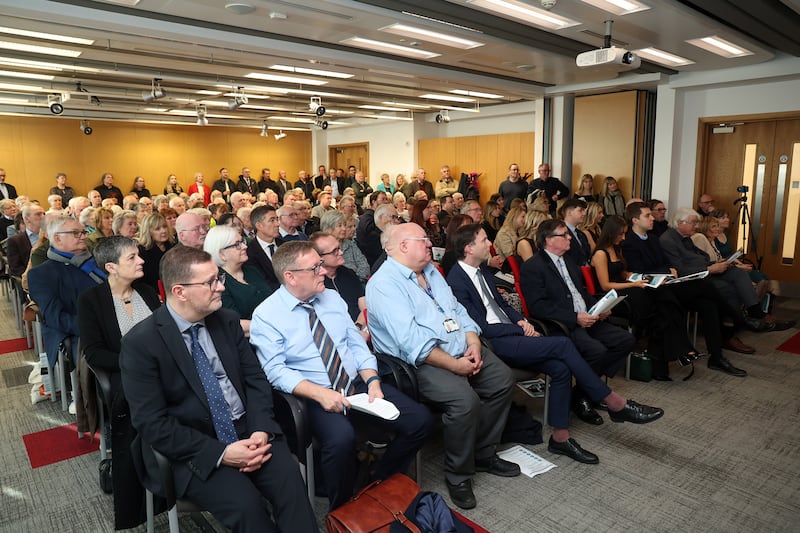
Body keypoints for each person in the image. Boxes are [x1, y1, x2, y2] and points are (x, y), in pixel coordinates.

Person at [119, 246, 317, 532]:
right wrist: (222, 454)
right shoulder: (141, 344)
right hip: (194, 448)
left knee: (292, 487)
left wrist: (261, 429)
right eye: (211, 282)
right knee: (247, 507)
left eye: (219, 278)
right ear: (180, 291)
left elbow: (256, 381)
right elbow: (152, 424)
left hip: (250, 431)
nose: (221, 286)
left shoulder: (225, 320)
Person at [448, 224, 663, 462]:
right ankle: (614, 402)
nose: (489, 244)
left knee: (561, 369)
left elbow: (504, 306)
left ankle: (560, 438)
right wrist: (518, 328)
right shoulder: (456, 281)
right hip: (493, 342)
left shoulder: (483, 272)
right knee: (562, 344)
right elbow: (479, 326)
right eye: (483, 240)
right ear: (469, 248)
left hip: (511, 333)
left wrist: (522, 321)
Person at [251, 241, 434, 510]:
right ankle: (344, 508)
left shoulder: (331, 298)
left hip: (357, 385)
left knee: (421, 421)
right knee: (341, 439)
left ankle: (378, 481)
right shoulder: (266, 315)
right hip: (313, 395)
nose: (323, 271)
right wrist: (321, 394)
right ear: (290, 276)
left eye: (320, 265)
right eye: (315, 268)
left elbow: (356, 344)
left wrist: (372, 380)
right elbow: (275, 371)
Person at [367, 223, 519, 510]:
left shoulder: (432, 272)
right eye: (423, 240)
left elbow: (457, 310)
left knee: (501, 379)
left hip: (460, 348)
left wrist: (473, 341)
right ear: (402, 246)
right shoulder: (384, 284)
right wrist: (455, 365)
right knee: (464, 401)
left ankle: (483, 452)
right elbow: (412, 342)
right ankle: (459, 475)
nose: (429, 244)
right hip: (418, 365)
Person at [78, 236, 161, 529]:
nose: (141, 261)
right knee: (142, 404)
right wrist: (136, 364)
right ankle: (141, 488)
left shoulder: (148, 292)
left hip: (161, 370)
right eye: (132, 258)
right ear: (111, 267)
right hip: (124, 374)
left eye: (139, 255)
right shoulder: (92, 301)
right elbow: (95, 353)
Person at [520, 219, 636, 423]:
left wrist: (600, 307)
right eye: (563, 235)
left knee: (624, 340)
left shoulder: (569, 261)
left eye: (568, 234)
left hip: (587, 316)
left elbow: (580, 294)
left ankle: (581, 393)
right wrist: (575, 318)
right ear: (548, 240)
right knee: (596, 351)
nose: (569, 238)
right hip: (563, 324)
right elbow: (539, 307)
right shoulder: (534, 267)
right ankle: (586, 396)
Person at [622, 202, 752, 376]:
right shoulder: (630, 242)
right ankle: (737, 317)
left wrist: (669, 270)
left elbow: (666, 262)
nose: (652, 217)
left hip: (670, 284)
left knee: (709, 305)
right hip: (653, 289)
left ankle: (716, 357)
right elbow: (640, 270)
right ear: (635, 220)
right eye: (648, 215)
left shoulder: (653, 238)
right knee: (705, 285)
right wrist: (668, 271)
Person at [591, 215, 701, 379]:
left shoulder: (617, 249)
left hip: (628, 288)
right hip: (614, 295)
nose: (623, 238)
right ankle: (680, 352)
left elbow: (622, 273)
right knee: (662, 310)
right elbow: (605, 285)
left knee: (665, 305)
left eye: (624, 234)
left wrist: (636, 277)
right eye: (620, 234)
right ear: (611, 233)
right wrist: (633, 284)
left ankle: (668, 362)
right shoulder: (600, 254)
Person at [660, 208, 775, 332]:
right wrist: (710, 268)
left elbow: (700, 259)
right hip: (691, 279)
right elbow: (680, 269)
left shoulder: (686, 237)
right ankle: (730, 328)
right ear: (680, 222)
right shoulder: (668, 240)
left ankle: (753, 310)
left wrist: (716, 264)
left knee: (738, 273)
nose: (697, 225)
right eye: (694, 222)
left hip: (704, 270)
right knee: (728, 287)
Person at [29, 216, 107, 369]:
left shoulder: (97, 262)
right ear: (57, 238)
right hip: (79, 331)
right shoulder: (42, 273)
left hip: (112, 319)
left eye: (83, 232)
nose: (84, 236)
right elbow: (56, 317)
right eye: (76, 233)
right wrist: (94, 327)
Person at [204, 225, 273, 337]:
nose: (245, 246)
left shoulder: (251, 270)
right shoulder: (218, 283)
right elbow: (233, 323)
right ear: (222, 254)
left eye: (242, 241)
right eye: (237, 245)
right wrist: (271, 327)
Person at [321, 210, 369, 283]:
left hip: (357, 282)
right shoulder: (322, 247)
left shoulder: (350, 245)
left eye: (344, 225)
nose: (344, 229)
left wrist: (354, 280)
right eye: (340, 225)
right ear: (328, 229)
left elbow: (364, 266)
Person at [245, 205, 282, 290]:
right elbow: (260, 284)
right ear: (259, 225)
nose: (277, 224)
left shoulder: (285, 245)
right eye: (272, 220)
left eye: (277, 219)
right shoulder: (249, 253)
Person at [137, 213, 174, 292]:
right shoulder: (141, 252)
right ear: (148, 232)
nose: (163, 231)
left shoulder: (173, 247)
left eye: (164, 227)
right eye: (157, 229)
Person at [7, 204, 43, 276]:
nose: (43, 217)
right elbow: (15, 268)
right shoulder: (15, 241)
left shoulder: (52, 235)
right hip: (33, 277)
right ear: (27, 219)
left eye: (44, 213)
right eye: (38, 214)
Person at [559, 198, 592, 267]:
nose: (584, 213)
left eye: (584, 210)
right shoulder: (560, 233)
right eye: (580, 210)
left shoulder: (581, 234)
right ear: (569, 212)